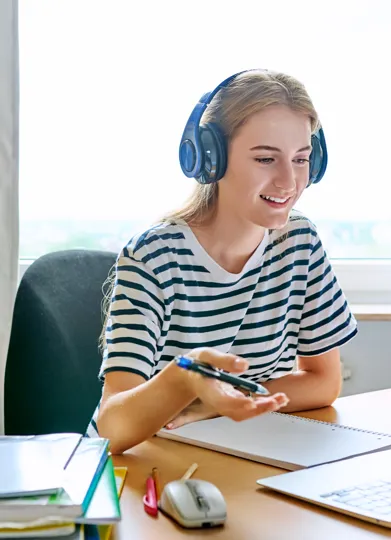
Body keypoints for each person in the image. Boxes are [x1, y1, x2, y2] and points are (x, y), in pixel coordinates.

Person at [89, 69, 358, 454]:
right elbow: (111, 426)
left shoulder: (300, 242)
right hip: (151, 466)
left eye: (301, 159)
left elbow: (323, 382)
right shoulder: (153, 258)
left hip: (239, 451)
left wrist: (212, 405)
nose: (289, 181)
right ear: (210, 159)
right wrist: (185, 380)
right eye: (266, 159)